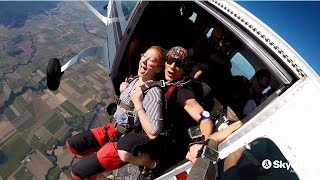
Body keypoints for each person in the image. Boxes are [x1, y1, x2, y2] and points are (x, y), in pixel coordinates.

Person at [66, 46, 166, 180]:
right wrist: (123, 91)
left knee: (78, 174)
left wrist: (137, 102)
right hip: (112, 129)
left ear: (158, 68)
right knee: (74, 145)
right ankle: (100, 162)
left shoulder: (153, 93)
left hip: (125, 139)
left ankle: (148, 163)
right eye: (144, 56)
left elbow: (153, 132)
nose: (144, 61)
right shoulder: (135, 79)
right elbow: (126, 107)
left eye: (151, 60)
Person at [138, 46, 214, 179]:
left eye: (178, 65)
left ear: (184, 70)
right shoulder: (162, 77)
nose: (172, 67)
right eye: (170, 61)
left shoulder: (182, 91)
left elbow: (203, 117)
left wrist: (202, 143)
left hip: (163, 149)